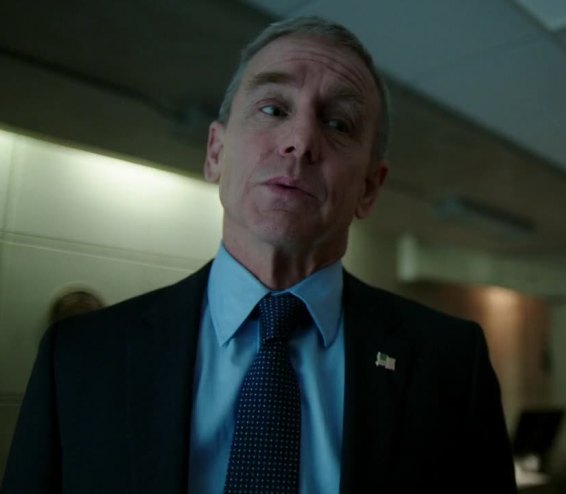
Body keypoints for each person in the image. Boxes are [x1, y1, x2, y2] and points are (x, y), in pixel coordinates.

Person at [2, 16, 516, 493]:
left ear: (369, 189)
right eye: (273, 109)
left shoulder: (452, 365)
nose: (301, 140)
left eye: (339, 124)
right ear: (216, 152)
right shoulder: (80, 358)